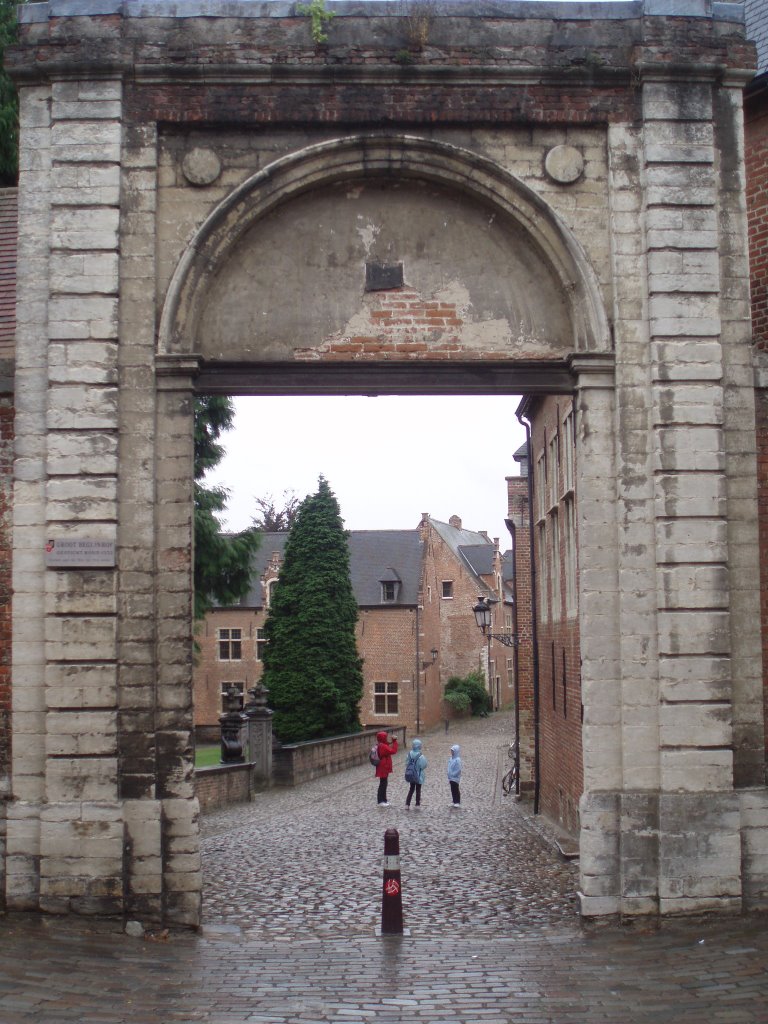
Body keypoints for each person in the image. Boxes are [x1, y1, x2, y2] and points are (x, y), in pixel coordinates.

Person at [375, 731, 398, 806]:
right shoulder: (382, 746)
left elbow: (387, 745)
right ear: (383, 738)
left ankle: (384, 800)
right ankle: (380, 801)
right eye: (385, 737)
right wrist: (394, 742)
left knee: (384, 783)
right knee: (383, 783)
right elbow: (393, 751)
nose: (386, 738)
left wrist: (392, 741)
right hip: (383, 766)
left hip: (384, 766)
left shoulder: (381, 744)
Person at [404, 738, 427, 809]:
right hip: (418, 775)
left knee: (411, 789)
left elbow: (406, 763)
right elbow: (424, 765)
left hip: (411, 775)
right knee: (418, 790)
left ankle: (407, 804)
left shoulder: (409, 754)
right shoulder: (420, 756)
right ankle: (417, 804)